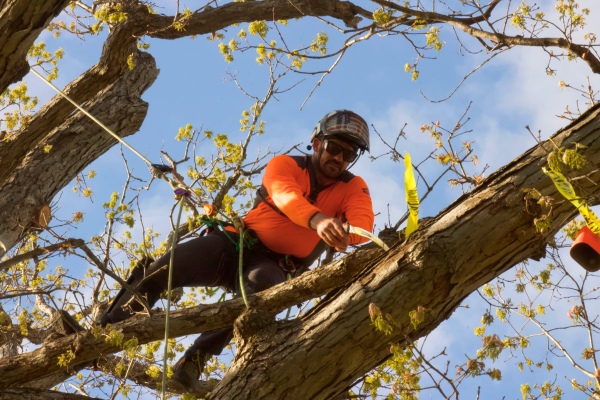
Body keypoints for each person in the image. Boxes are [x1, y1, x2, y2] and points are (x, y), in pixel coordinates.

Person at [99, 109, 375, 391]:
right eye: (334, 148)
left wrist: (346, 234)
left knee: (256, 299)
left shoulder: (353, 187)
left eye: (349, 154)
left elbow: (363, 224)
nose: (339, 158)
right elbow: (284, 196)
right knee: (170, 265)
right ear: (317, 143)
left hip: (276, 267)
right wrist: (317, 220)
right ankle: (107, 328)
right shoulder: (286, 165)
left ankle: (195, 359)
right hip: (236, 244)